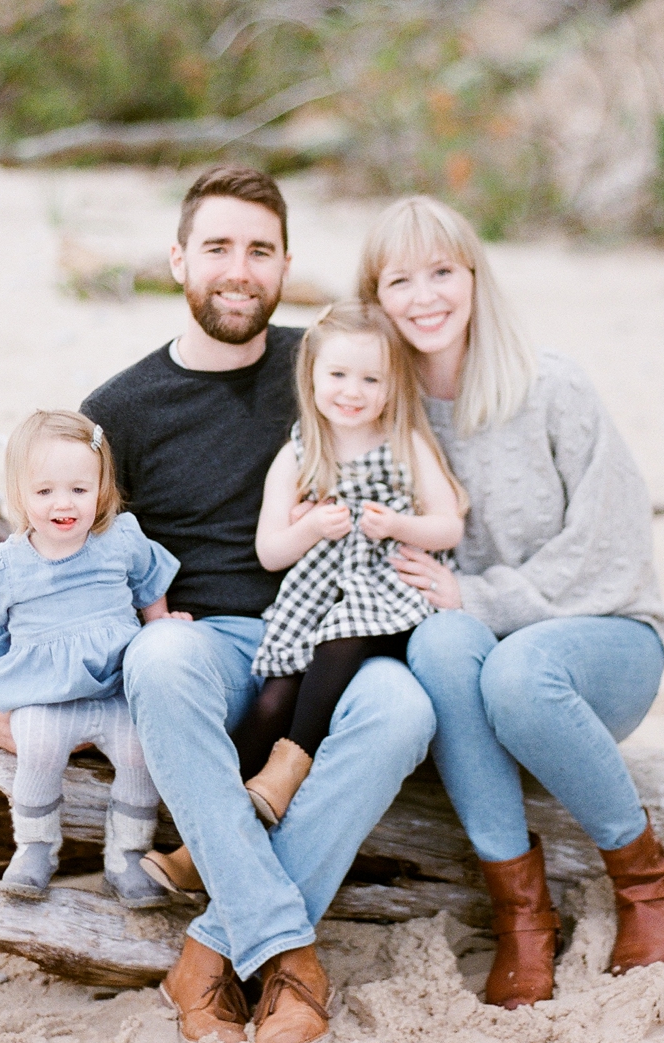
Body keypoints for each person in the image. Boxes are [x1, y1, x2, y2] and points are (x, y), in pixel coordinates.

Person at [77, 166, 435, 1043]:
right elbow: (66, 554)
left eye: (260, 251)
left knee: (404, 711)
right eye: (219, 247)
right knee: (158, 658)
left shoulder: (321, 366)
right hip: (205, 643)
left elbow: (411, 432)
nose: (239, 269)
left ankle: (207, 952)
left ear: (283, 266)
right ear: (178, 258)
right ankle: (287, 956)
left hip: (333, 640)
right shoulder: (119, 410)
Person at [356, 194, 664, 1013]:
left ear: (474, 276)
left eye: (441, 271)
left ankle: (646, 881)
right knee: (440, 646)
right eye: (400, 279)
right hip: (476, 670)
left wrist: (477, 593)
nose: (424, 295)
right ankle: (522, 915)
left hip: (604, 643)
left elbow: (610, 549)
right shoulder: (380, 416)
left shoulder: (550, 386)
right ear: (376, 297)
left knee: (509, 665)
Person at [142, 300, 464, 878]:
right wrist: (310, 526)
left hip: (386, 595)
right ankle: (209, 838)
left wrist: (397, 526)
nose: (352, 391)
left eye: (371, 378)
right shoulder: (298, 454)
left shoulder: (405, 444)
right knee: (272, 696)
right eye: (338, 375)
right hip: (313, 601)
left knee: (339, 640)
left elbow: (449, 524)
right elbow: (270, 551)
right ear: (311, 376)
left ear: (393, 386)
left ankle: (286, 772)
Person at [0, 409, 180, 906]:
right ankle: (35, 848)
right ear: (19, 494)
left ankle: (127, 857)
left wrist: (162, 624)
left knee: (141, 756)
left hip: (115, 688)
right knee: (37, 752)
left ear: (101, 488)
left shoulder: (119, 537)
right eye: (45, 492)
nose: (64, 504)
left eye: (80, 490)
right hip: (45, 699)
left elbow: (147, 583)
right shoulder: (6, 565)